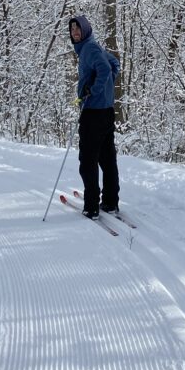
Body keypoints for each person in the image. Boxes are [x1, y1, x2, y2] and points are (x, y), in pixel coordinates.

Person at [69, 14, 120, 219]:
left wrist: (94, 90)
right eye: (72, 30)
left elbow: (106, 69)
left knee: (88, 160)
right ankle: (110, 201)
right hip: (106, 112)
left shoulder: (89, 49)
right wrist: (105, 89)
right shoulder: (93, 47)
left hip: (94, 114)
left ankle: (91, 206)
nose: (75, 33)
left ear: (86, 30)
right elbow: (114, 64)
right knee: (107, 159)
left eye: (78, 29)